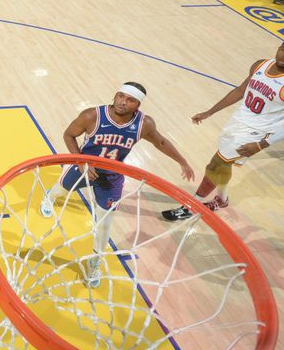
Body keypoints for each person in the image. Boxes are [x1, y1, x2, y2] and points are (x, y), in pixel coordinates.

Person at [39, 83, 195, 287]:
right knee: (59, 190)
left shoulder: (143, 124)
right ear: (115, 95)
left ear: (138, 104)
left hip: (111, 177)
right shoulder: (91, 116)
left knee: (104, 225)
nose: (123, 101)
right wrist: (80, 160)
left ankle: (95, 263)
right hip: (84, 167)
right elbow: (69, 135)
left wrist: (182, 161)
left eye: (129, 99)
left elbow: (161, 142)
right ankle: (49, 197)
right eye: (120, 96)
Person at [162, 45, 284, 221]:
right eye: (283, 49)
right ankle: (221, 200)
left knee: (214, 165)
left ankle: (190, 207)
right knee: (223, 165)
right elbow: (240, 91)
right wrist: (210, 112)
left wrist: (261, 144)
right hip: (237, 122)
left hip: (257, 132)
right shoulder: (260, 65)